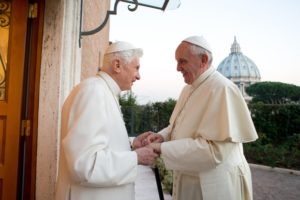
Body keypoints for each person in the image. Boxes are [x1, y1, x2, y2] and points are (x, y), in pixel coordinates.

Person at [133, 36, 258, 200]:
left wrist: (161, 148)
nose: (178, 68)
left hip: (213, 185)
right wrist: (162, 136)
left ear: (203, 60)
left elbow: (214, 152)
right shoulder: (188, 89)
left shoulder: (222, 89)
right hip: (189, 178)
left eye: (182, 61)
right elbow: (177, 125)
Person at [55, 41, 158, 200]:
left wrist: (131, 147)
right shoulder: (94, 92)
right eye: (136, 68)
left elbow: (101, 146)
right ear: (117, 65)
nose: (138, 76)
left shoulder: (103, 91)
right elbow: (84, 165)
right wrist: (135, 157)